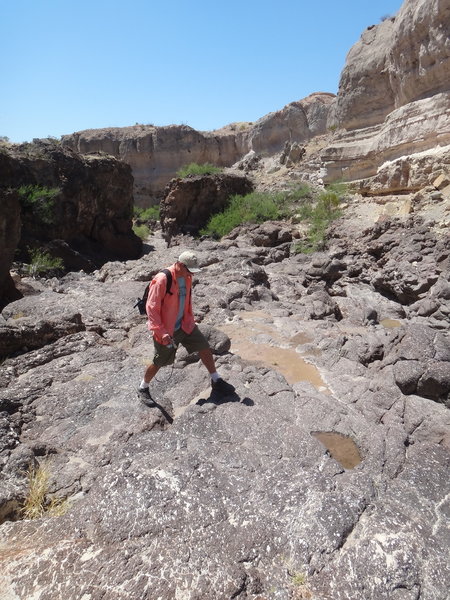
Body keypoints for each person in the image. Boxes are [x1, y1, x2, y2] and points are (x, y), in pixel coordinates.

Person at [138, 250, 235, 403]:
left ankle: (216, 380)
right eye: (190, 270)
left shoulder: (187, 277)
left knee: (204, 347)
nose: (192, 274)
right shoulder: (163, 279)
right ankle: (143, 388)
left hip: (186, 324)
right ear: (180, 265)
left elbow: (185, 300)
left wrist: (190, 318)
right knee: (159, 362)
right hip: (167, 330)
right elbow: (152, 309)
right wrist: (161, 332)